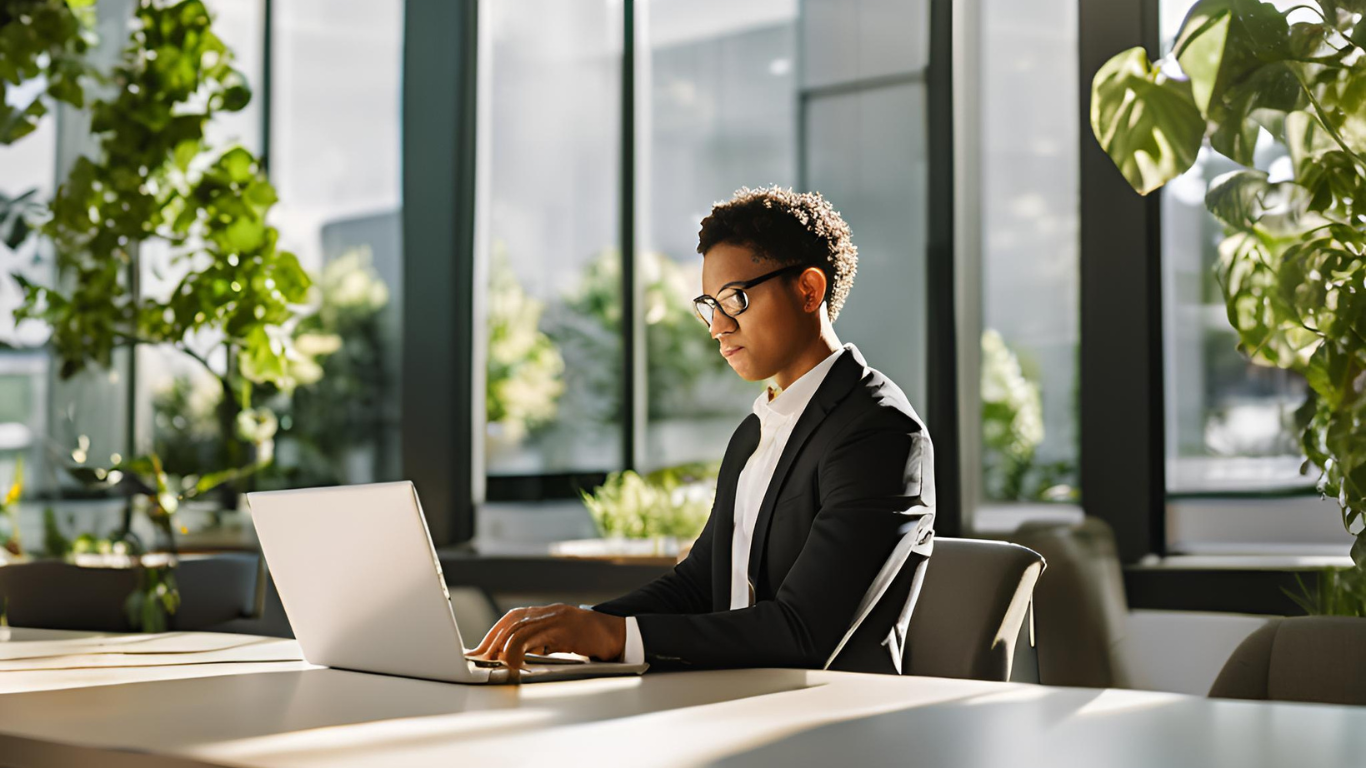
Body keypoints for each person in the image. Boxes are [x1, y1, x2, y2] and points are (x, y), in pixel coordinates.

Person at [470, 186, 935, 677]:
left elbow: (804, 633)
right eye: (709, 304)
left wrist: (613, 638)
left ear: (808, 290)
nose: (717, 327)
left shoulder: (880, 433)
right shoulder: (754, 434)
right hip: (725, 699)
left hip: (827, 726)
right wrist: (578, 626)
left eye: (735, 300)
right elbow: (698, 585)